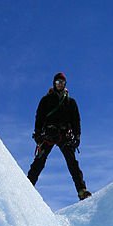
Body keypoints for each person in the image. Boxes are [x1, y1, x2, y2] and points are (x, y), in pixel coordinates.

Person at [28, 72, 91, 200]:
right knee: (39, 162)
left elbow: (76, 121)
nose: (60, 84)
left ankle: (81, 190)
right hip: (48, 135)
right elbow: (39, 117)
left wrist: (77, 136)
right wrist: (38, 133)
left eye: (62, 82)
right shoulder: (46, 100)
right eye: (58, 82)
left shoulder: (70, 102)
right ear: (54, 83)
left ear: (65, 84)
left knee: (72, 163)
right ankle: (27, 186)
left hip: (64, 135)